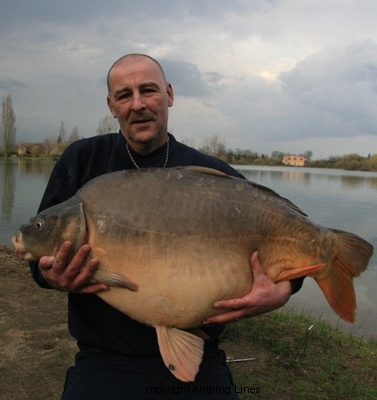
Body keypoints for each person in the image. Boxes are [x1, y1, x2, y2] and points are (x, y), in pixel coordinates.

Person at [30, 53, 304, 399]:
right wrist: (49, 276)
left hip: (203, 355)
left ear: (169, 94)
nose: (138, 104)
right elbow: (38, 251)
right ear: (111, 106)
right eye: (124, 95)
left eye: (148, 90)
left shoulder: (213, 175)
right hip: (103, 359)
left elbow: (284, 236)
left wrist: (284, 290)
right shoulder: (82, 161)